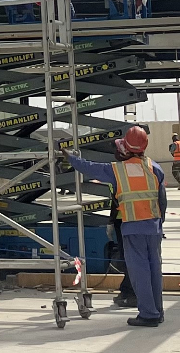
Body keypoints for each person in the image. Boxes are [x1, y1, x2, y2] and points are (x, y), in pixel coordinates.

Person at [67, 126, 168, 328]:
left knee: (139, 272)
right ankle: (157, 311)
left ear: (125, 149)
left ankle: (148, 314)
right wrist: (159, 223)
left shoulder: (117, 170)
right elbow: (162, 200)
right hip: (153, 228)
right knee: (154, 270)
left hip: (133, 229)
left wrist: (69, 156)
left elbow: (89, 167)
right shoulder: (155, 167)